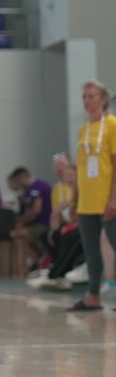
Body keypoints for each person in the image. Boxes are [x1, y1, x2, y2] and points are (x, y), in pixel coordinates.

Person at [68, 80, 116, 312]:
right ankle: (93, 295)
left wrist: (113, 198)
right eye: (84, 97)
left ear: (103, 99)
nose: (87, 101)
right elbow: (81, 167)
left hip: (107, 199)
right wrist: (76, 199)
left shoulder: (112, 125)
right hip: (86, 202)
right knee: (91, 250)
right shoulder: (83, 129)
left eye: (92, 96)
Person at [6, 167, 52, 271]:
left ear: (20, 179)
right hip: (35, 224)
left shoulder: (37, 187)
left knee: (17, 234)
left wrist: (21, 222)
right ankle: (39, 257)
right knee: (15, 232)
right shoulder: (27, 191)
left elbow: (36, 210)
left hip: (44, 223)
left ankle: (39, 262)